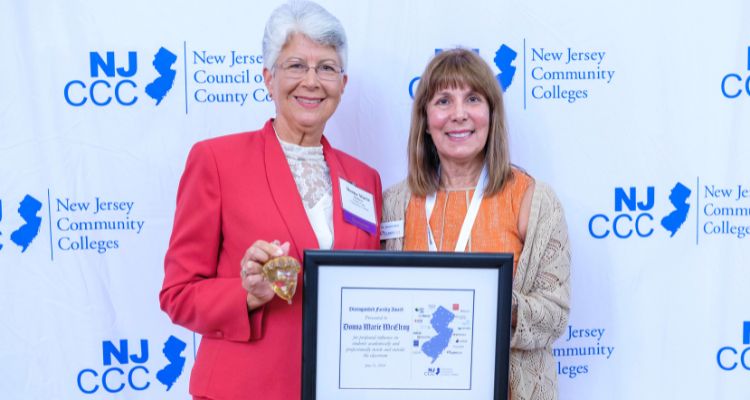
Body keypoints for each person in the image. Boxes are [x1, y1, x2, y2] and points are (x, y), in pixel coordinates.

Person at [159, 1, 382, 399]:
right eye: (296, 65)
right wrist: (248, 294)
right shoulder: (216, 161)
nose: (312, 81)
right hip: (244, 388)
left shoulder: (365, 180)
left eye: (327, 67)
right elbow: (177, 294)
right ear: (268, 77)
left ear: (342, 85)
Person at [382, 48, 570, 400]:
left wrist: (489, 299)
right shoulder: (395, 204)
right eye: (443, 101)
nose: (458, 114)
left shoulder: (534, 199)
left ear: (491, 114)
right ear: (424, 118)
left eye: (472, 99)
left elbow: (555, 317)